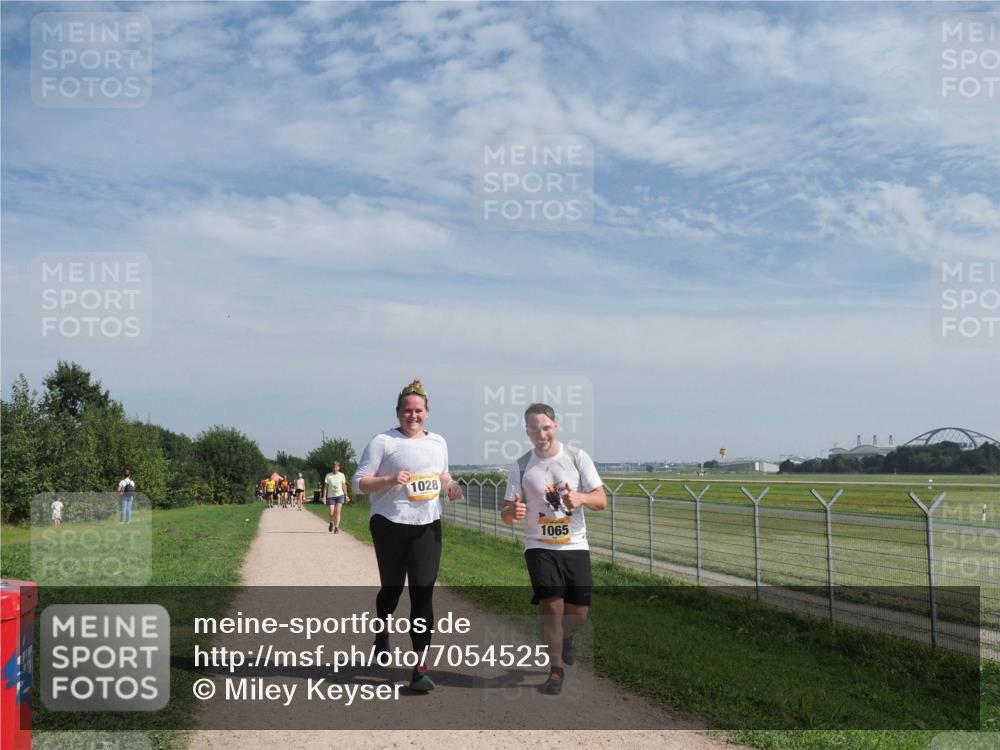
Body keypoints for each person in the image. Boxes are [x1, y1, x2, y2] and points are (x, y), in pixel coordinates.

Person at [353, 379, 463, 692]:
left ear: (427, 412)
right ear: (398, 412)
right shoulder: (383, 442)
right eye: (406, 410)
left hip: (427, 525)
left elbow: (442, 475)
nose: (412, 416)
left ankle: (419, 666)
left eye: (418, 410)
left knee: (423, 592)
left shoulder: (438, 442)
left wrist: (450, 487)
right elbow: (358, 483)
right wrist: (389, 478)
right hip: (389, 523)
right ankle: (382, 629)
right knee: (392, 589)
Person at [500, 403, 606, 696]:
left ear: (556, 426)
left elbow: (601, 500)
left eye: (546, 427)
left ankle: (563, 637)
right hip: (539, 545)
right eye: (534, 429)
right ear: (527, 431)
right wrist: (514, 512)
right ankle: (555, 670)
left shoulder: (576, 457)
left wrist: (582, 498)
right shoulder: (521, 465)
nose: (541, 434)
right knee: (552, 605)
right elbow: (507, 513)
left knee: (579, 614)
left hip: (575, 543)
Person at [323, 462, 350, 533]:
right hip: (331, 496)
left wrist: (346, 495)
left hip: (340, 495)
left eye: (336, 467)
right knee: (331, 513)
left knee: (337, 512)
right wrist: (324, 496)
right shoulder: (328, 475)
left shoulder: (342, 475)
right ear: (332, 468)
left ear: (338, 468)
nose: (335, 468)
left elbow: (344, 486)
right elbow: (325, 487)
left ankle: (337, 528)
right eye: (334, 467)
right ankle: (331, 523)